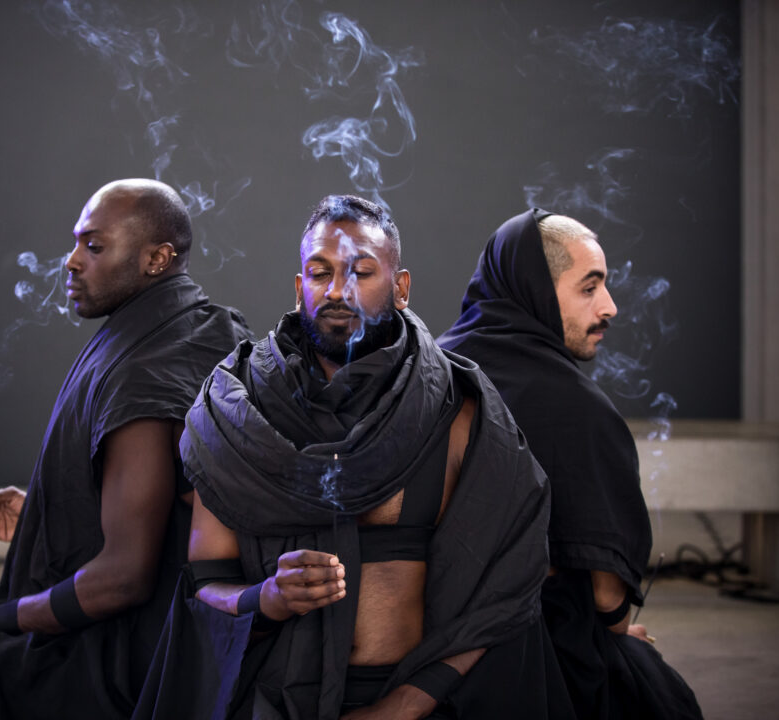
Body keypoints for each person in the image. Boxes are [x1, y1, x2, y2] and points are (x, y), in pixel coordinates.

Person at [135, 196, 572, 720]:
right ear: (300, 290)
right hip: (274, 700)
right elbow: (206, 583)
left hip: (423, 703)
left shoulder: (456, 408)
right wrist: (267, 599)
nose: (337, 290)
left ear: (401, 287)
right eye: (320, 273)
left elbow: (503, 590)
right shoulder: (235, 410)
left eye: (361, 272)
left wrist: (399, 710)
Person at [0, 179, 251, 719]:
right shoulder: (184, 327)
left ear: (157, 258)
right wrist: (43, 518)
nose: (71, 261)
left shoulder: (145, 372)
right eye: (76, 243)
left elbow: (127, 577)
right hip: (168, 620)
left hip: (132, 653)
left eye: (94, 245)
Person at [438, 209, 703, 719]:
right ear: (534, 290)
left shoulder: (435, 369)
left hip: (427, 649)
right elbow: (606, 599)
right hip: (536, 658)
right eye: (589, 288)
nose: (610, 307)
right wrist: (619, 634)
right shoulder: (577, 408)